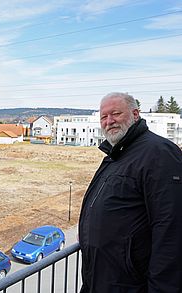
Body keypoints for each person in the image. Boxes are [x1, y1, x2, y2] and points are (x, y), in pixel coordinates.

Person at [78, 92, 182, 293]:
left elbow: (171, 228)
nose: (109, 121)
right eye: (104, 117)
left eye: (116, 113)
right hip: (102, 279)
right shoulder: (117, 153)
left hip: (130, 283)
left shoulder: (159, 152)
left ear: (135, 114)